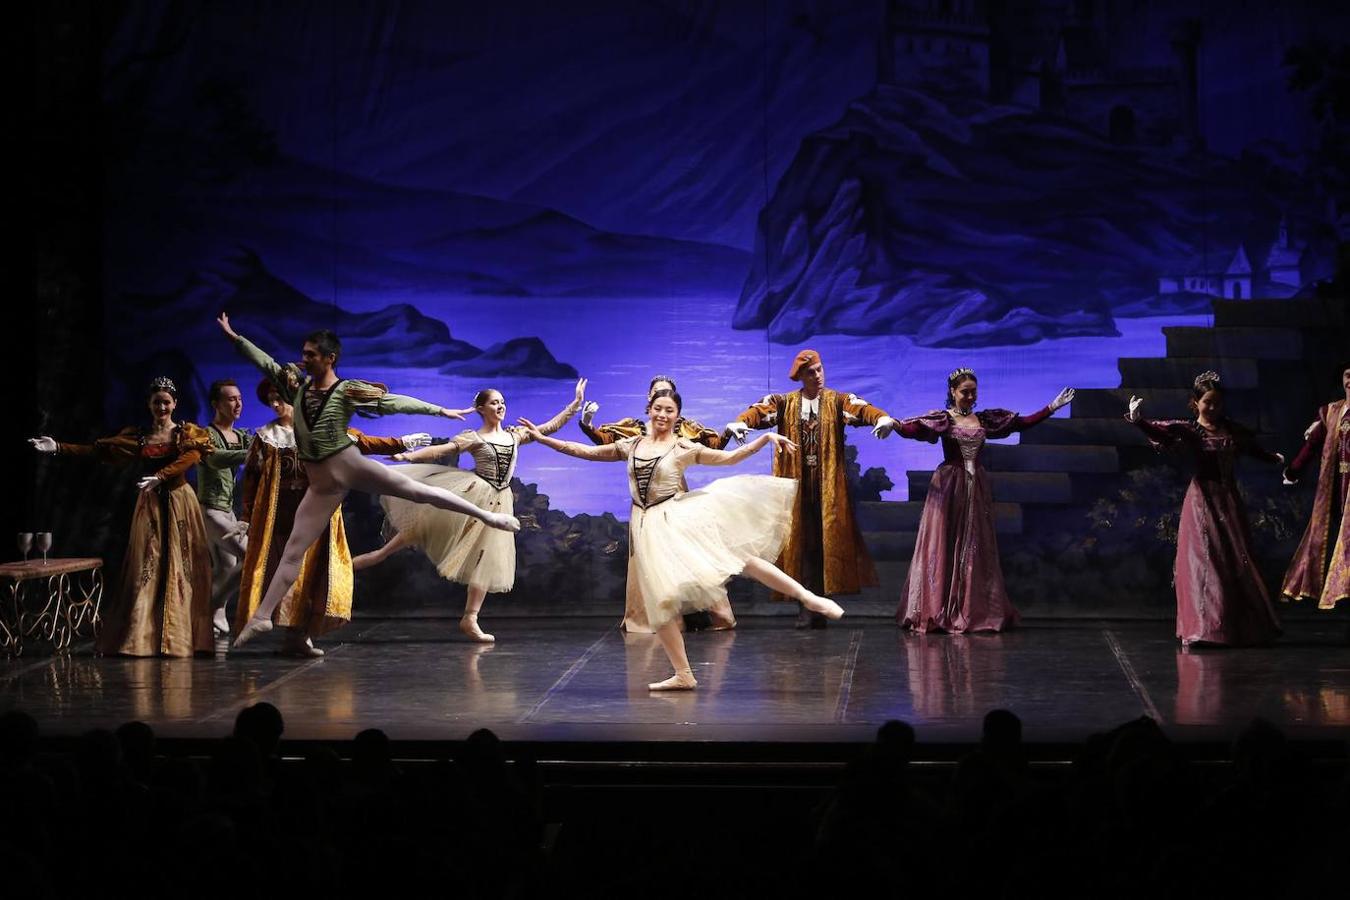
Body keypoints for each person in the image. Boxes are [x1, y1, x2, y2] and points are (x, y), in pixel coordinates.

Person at [216, 314, 519, 648]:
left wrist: (437, 411)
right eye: (303, 353)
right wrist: (234, 337)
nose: (304, 359)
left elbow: (391, 403)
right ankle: (261, 617)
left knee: (418, 491)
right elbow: (266, 363)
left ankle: (489, 516)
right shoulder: (297, 387)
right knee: (293, 552)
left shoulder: (346, 391)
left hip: (346, 464)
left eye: (311, 355)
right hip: (320, 483)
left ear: (330, 358)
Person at [520, 388, 844, 691]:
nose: (663, 414)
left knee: (738, 557)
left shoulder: (683, 448)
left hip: (676, 516)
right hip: (646, 525)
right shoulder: (630, 446)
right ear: (649, 410)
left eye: (670, 410)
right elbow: (585, 451)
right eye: (658, 409)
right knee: (659, 602)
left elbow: (729, 459)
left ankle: (808, 598)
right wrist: (542, 439)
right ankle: (684, 674)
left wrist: (765, 439)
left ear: (677, 416)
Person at [352, 380, 585, 642]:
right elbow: (442, 450)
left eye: (502, 402)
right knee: (408, 537)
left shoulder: (514, 435)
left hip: (499, 500)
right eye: (495, 402)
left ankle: (470, 618)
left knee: (486, 557)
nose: (501, 406)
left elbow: (548, 428)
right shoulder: (473, 438)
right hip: (472, 494)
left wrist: (574, 405)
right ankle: (348, 568)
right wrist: (407, 456)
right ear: (481, 409)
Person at [235, 378, 427, 656]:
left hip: (315, 511)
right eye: (271, 400)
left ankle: (299, 635)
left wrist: (400, 443)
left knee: (313, 572)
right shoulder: (266, 436)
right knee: (277, 570)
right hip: (278, 514)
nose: (277, 405)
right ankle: (272, 623)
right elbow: (252, 478)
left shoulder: (319, 428)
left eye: (281, 398)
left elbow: (362, 441)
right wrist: (246, 515)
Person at [29, 377, 214, 656]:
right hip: (150, 505)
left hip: (179, 502)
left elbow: (192, 458)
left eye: (166, 402)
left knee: (181, 564)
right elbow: (99, 450)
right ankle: (143, 638)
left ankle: (180, 638)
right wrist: (58, 447)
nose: (161, 407)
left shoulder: (185, 434)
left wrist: (161, 476)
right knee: (147, 566)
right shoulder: (139, 437)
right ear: (149, 405)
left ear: (175, 404)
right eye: (156, 402)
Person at [893, 368, 1073, 633]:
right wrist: (893, 424)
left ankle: (970, 607)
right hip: (949, 484)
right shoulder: (944, 419)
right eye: (964, 392)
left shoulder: (984, 420)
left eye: (973, 392)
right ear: (953, 392)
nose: (969, 396)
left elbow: (1020, 424)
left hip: (976, 485)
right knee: (944, 542)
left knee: (975, 544)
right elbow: (914, 430)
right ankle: (937, 606)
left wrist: (1051, 407)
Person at [727, 349, 895, 627]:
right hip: (796, 486)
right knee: (800, 546)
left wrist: (881, 417)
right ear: (801, 377)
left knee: (823, 544)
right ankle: (806, 606)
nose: (817, 375)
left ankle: (817, 605)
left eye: (819, 369)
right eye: (810, 372)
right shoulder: (786, 403)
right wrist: (741, 421)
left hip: (827, 488)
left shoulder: (835, 401)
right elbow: (760, 411)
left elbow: (859, 408)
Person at [1127, 372, 1285, 646]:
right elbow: (1161, 432)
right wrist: (1139, 420)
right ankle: (1205, 629)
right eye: (1207, 402)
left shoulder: (1230, 429)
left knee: (1236, 560)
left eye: (1217, 403)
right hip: (1202, 501)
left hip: (1229, 501)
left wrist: (1274, 458)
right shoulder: (1190, 430)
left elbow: (1252, 448)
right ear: (1195, 403)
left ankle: (1240, 627)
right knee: (1205, 562)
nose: (1212, 408)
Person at [580, 374, 734, 631]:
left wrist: (729, 430)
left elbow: (714, 445)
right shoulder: (636, 432)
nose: (662, 400)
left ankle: (703, 613)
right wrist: (587, 424)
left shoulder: (684, 429)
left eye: (667, 394)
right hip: (646, 505)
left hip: (677, 499)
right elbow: (606, 444)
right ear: (649, 400)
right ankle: (659, 616)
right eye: (657, 394)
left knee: (686, 555)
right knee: (650, 558)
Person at [1280, 361, 1350, 609]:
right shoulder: (1331, 412)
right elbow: (1312, 446)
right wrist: (1293, 470)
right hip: (1338, 489)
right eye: (1347, 375)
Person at [196, 378, 251, 635]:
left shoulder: (241, 436)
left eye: (239, 398)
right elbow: (216, 459)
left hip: (229, 512)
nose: (237, 403)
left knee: (227, 568)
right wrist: (250, 453)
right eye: (231, 399)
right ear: (216, 404)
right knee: (251, 556)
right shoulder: (205, 435)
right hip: (209, 510)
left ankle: (213, 617)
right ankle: (208, 607)